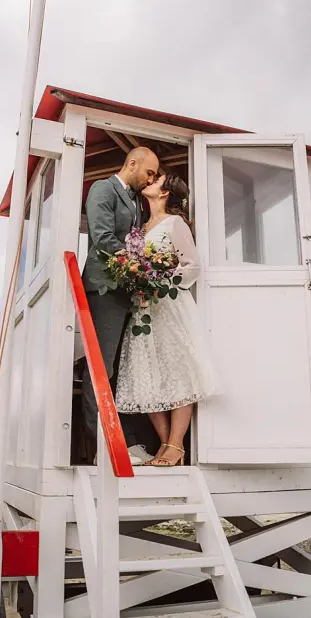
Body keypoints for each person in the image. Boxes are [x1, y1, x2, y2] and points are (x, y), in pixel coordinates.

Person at [114, 172, 217, 467]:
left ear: (165, 193)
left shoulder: (175, 224)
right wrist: (135, 280)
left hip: (168, 306)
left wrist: (158, 281)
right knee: (146, 376)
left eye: (156, 180)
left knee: (177, 374)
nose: (149, 182)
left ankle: (176, 445)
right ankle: (163, 446)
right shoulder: (140, 228)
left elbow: (191, 267)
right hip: (142, 310)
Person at [80, 146, 159, 465]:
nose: (151, 178)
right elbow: (102, 238)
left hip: (127, 293)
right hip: (104, 289)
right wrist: (141, 266)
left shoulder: (138, 202)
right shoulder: (103, 188)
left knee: (123, 370)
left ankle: (125, 440)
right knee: (100, 368)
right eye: (149, 172)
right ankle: (101, 444)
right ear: (132, 163)